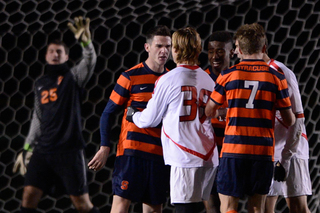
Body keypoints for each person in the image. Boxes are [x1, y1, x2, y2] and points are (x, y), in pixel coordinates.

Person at [205, 23, 296, 213]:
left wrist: (227, 111)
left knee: (229, 207)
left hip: (233, 150)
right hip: (262, 153)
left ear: (238, 49)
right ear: (264, 48)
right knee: (256, 209)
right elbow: (289, 121)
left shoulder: (228, 75)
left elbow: (209, 111)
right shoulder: (276, 78)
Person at [127, 27, 220, 213]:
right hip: (209, 155)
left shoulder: (167, 79)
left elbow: (150, 119)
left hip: (184, 156)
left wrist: (133, 115)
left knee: (184, 209)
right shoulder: (209, 80)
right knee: (207, 207)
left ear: (176, 50)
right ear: (198, 49)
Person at [12, 17, 99, 213]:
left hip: (69, 151)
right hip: (43, 150)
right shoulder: (40, 83)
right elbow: (37, 117)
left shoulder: (72, 77)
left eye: (59, 52)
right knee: (28, 197)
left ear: (66, 57)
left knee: (82, 204)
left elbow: (90, 61)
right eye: (51, 51)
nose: (55, 54)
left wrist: (87, 43)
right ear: (45, 56)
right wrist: (27, 147)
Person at [87, 25, 172, 213]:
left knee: (153, 208)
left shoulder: (171, 80)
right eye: (159, 46)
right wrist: (104, 147)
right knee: (121, 205)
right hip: (131, 153)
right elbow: (108, 113)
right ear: (147, 47)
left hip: (160, 155)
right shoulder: (130, 76)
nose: (164, 51)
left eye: (168, 46)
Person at [263, 52, 312, 213]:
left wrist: (286, 159)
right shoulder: (250, 73)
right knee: (263, 208)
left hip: (291, 150)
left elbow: (298, 118)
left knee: (298, 208)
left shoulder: (280, 71)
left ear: (262, 47)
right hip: (268, 150)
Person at [203, 31, 234, 213]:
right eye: (210, 51)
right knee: (211, 204)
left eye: (220, 51)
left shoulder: (238, 78)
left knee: (230, 205)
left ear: (232, 52)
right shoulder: (201, 78)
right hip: (208, 151)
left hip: (233, 151)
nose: (214, 56)